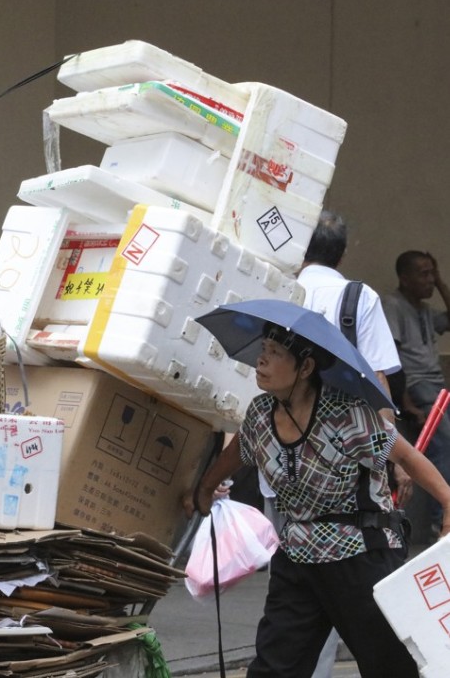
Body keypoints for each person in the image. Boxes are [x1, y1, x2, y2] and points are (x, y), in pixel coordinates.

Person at [186, 322, 450, 678]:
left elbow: (406, 458)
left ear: (305, 367)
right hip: (297, 556)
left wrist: (449, 505)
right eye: (262, 349)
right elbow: (235, 456)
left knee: (390, 666)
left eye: (275, 353)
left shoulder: (348, 414)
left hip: (360, 555)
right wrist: (203, 491)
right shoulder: (260, 415)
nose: (261, 360)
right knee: (275, 667)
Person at [268, 211, 408, 678]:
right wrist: (395, 462)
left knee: (298, 589)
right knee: (362, 608)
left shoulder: (274, 294)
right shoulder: (357, 296)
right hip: (352, 483)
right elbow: (380, 383)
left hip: (284, 471)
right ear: (342, 253)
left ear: (297, 251)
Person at [382, 251, 450, 539]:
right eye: (423, 274)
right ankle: (441, 519)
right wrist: (405, 400)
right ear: (404, 278)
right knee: (444, 439)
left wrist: (441, 283)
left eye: (431, 273)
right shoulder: (393, 305)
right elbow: (390, 358)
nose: (429, 280)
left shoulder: (424, 311)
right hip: (417, 386)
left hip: (437, 385)